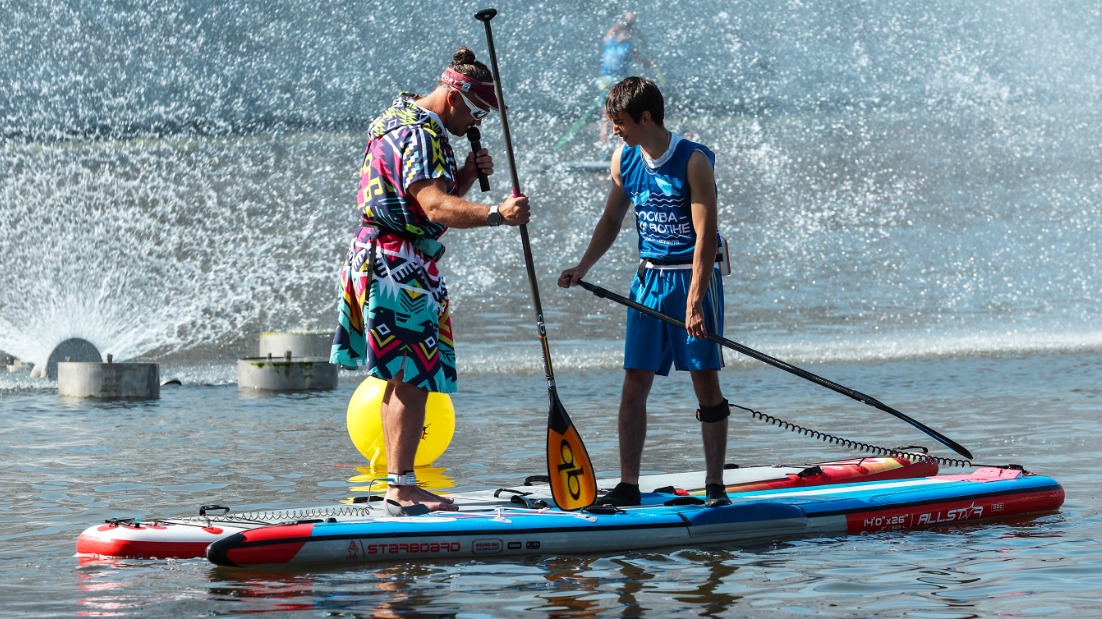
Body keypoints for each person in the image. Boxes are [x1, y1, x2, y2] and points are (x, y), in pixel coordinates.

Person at [331, 47, 530, 516]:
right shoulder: (421, 135)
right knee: (410, 378)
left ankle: (400, 482)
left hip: (384, 253)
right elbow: (435, 208)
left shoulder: (394, 117)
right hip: (396, 262)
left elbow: (418, 199)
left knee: (400, 377)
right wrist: (496, 214)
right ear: (455, 96)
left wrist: (461, 175)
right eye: (477, 112)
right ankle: (401, 490)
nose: (476, 124)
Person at [558, 77, 732, 508]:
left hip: (692, 278)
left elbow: (706, 237)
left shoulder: (693, 161)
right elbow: (612, 220)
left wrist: (694, 301)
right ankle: (629, 486)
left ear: (646, 117)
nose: (614, 130)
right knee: (634, 382)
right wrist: (582, 266)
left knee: (704, 383)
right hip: (648, 282)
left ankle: (715, 488)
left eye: (620, 123)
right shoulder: (624, 159)